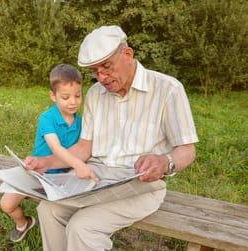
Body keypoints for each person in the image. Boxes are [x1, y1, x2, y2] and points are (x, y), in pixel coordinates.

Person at [24, 25, 199, 251]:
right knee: (48, 210)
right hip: (96, 179)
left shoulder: (168, 89)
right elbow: (84, 148)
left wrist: (164, 162)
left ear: (127, 55)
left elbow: (187, 150)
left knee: (82, 227)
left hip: (140, 184)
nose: (102, 77)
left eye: (106, 67)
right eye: (95, 72)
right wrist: (45, 162)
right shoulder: (97, 94)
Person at [0, 64, 86, 242]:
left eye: (77, 96)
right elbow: (55, 148)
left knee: (66, 212)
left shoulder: (82, 122)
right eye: (65, 97)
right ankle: (23, 223)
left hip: (62, 177)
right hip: (38, 172)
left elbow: (82, 150)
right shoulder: (47, 118)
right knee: (6, 204)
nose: (73, 102)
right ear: (53, 96)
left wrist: (75, 167)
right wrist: (78, 164)